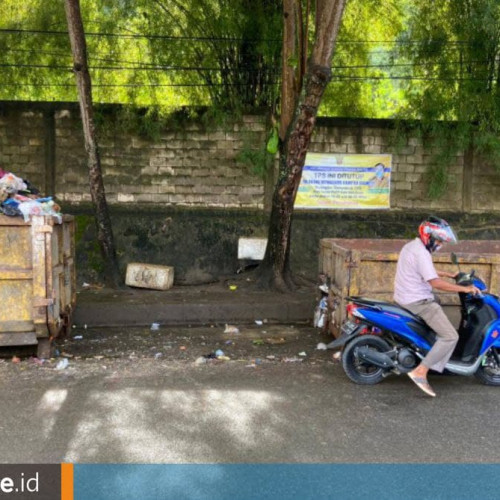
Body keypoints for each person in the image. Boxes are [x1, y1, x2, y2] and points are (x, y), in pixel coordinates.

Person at [393, 216, 480, 397]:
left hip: (405, 297)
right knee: (450, 336)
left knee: (438, 302)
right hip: (418, 302)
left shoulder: (412, 246)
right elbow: (435, 283)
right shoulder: (421, 253)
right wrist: (465, 289)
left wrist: (449, 274)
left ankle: (430, 350)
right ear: (429, 236)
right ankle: (421, 371)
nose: (440, 244)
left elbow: (426, 270)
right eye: (439, 240)